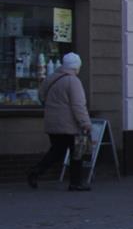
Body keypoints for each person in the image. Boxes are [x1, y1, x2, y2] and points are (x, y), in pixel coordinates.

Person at [28, 52, 93, 192]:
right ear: (76, 67)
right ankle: (76, 183)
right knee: (77, 154)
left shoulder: (51, 78)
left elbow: (41, 96)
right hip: (70, 126)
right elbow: (78, 106)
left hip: (52, 123)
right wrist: (85, 123)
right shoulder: (73, 81)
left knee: (56, 152)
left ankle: (35, 171)